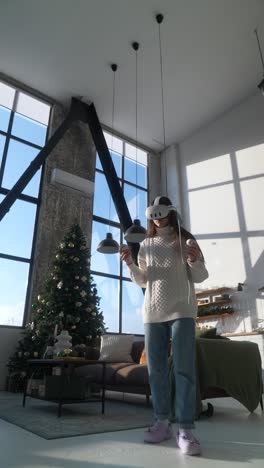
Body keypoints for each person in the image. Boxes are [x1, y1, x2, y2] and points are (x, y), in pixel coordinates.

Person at [120, 196, 208, 456]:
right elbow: (143, 280)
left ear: (171, 212)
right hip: (152, 312)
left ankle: (186, 429)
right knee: (156, 371)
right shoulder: (146, 244)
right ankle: (161, 422)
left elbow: (201, 276)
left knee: (184, 369)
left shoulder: (186, 241)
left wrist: (194, 258)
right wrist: (129, 263)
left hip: (182, 309)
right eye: (153, 214)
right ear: (150, 216)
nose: (157, 218)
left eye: (161, 212)